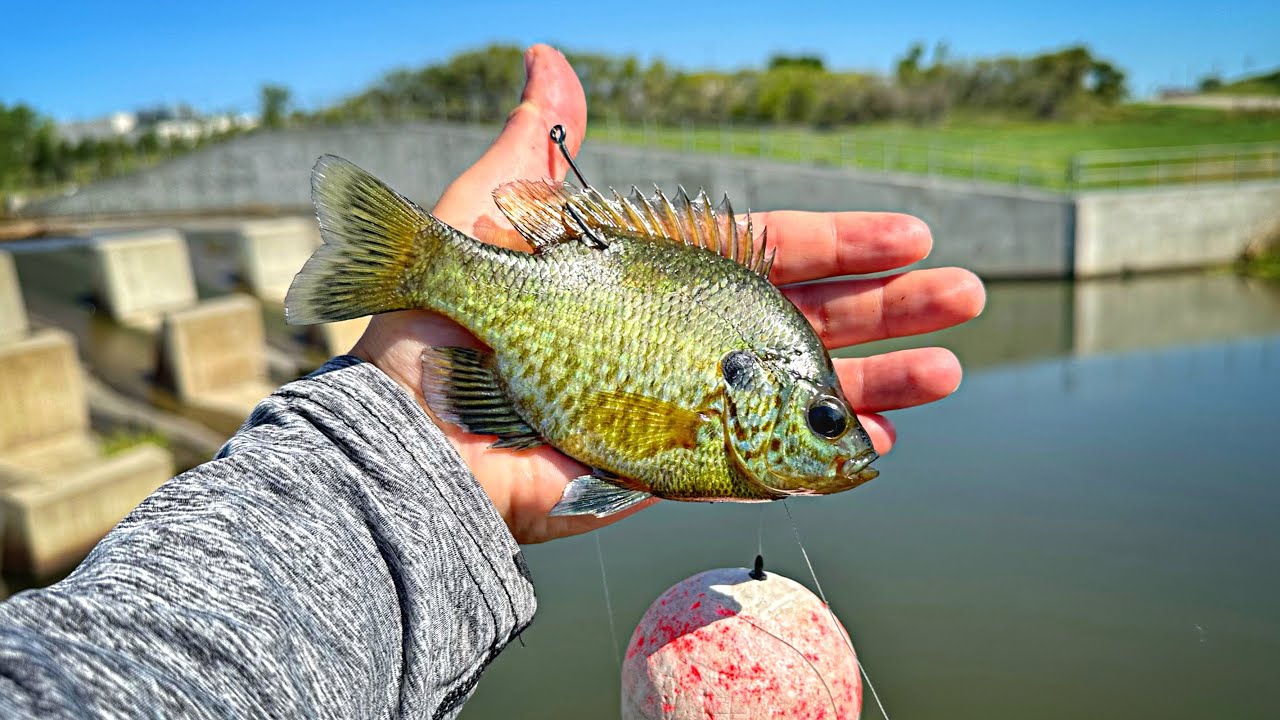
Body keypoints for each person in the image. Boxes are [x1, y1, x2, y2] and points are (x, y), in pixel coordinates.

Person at [0, 46, 985, 718]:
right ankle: (413, 259)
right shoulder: (712, 398)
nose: (834, 439)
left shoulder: (733, 389)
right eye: (820, 419)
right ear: (750, 393)